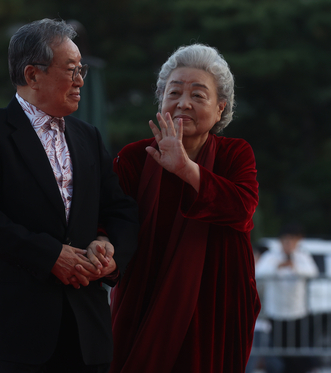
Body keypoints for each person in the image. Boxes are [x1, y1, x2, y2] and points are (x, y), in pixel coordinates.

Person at [0, 18, 139, 373]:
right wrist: (51, 255)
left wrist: (111, 251)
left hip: (87, 328)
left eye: (81, 69)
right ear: (32, 75)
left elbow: (121, 210)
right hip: (16, 327)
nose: (80, 80)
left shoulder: (89, 136)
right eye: (71, 69)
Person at [109, 43, 260, 373]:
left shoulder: (235, 154)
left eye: (198, 95)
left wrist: (185, 169)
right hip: (144, 300)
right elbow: (111, 221)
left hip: (214, 303)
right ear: (161, 100)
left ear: (221, 108)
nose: (183, 103)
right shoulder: (135, 156)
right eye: (174, 92)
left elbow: (242, 210)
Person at [255, 223, 320, 373]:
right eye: (285, 240)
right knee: (280, 348)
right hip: (276, 311)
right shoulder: (271, 257)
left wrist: (294, 267)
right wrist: (278, 267)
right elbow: (259, 272)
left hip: (297, 311)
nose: (288, 244)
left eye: (292, 240)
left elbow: (313, 272)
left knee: (297, 348)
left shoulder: (303, 257)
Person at [246, 245, 285, 373]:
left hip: (261, 323)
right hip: (261, 323)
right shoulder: (261, 272)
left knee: (254, 356)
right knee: (269, 356)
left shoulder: (262, 273)